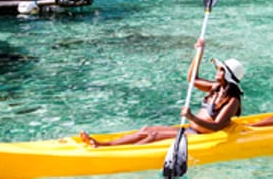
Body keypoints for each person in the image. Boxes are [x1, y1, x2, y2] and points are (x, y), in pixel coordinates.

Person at [78, 39, 244, 147]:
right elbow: (192, 79)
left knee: (154, 136)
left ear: (228, 76)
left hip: (202, 138)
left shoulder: (232, 100)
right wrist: (198, 54)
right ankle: (105, 145)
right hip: (192, 131)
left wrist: (191, 117)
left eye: (221, 70)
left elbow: (217, 126)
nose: (217, 71)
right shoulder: (215, 87)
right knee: (147, 129)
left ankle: (109, 151)